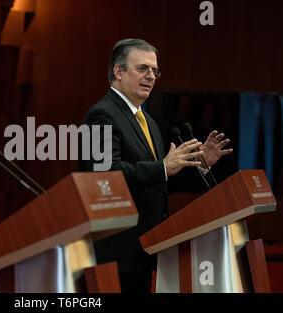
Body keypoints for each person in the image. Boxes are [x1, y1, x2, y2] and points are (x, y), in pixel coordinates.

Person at [78, 39, 233, 292]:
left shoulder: (147, 120)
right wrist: (162, 167)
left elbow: (158, 182)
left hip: (145, 249)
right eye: (142, 68)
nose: (151, 76)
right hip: (115, 253)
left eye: (155, 71)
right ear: (118, 71)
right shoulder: (101, 115)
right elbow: (102, 176)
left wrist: (199, 164)